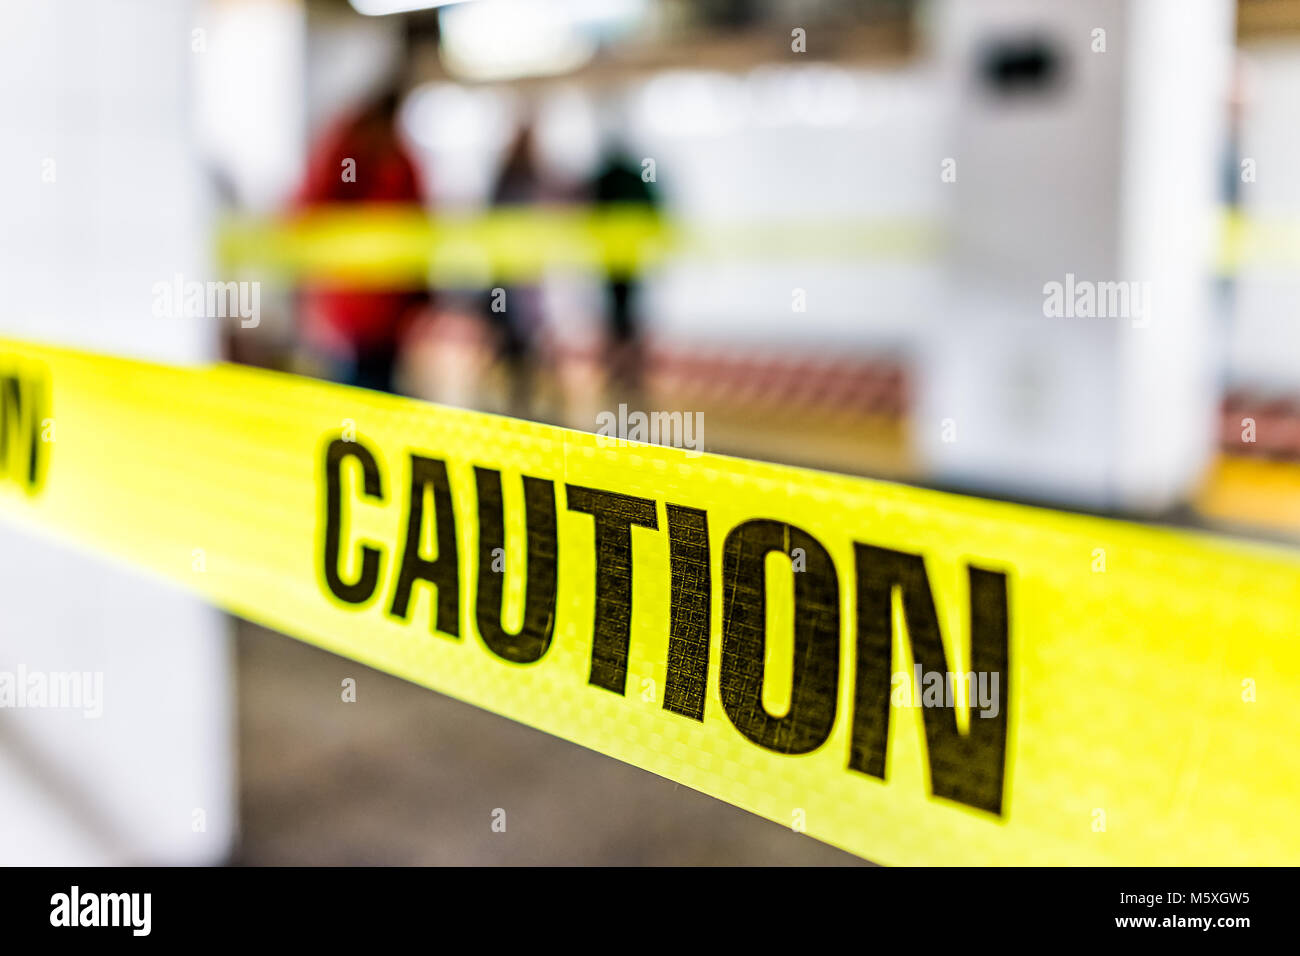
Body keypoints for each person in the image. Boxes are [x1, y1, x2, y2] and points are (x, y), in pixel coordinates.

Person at [293, 88, 427, 393]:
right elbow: (307, 218)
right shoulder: (342, 156)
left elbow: (418, 222)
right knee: (350, 389)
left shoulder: (398, 160)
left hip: (385, 308)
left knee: (376, 388)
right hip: (347, 309)